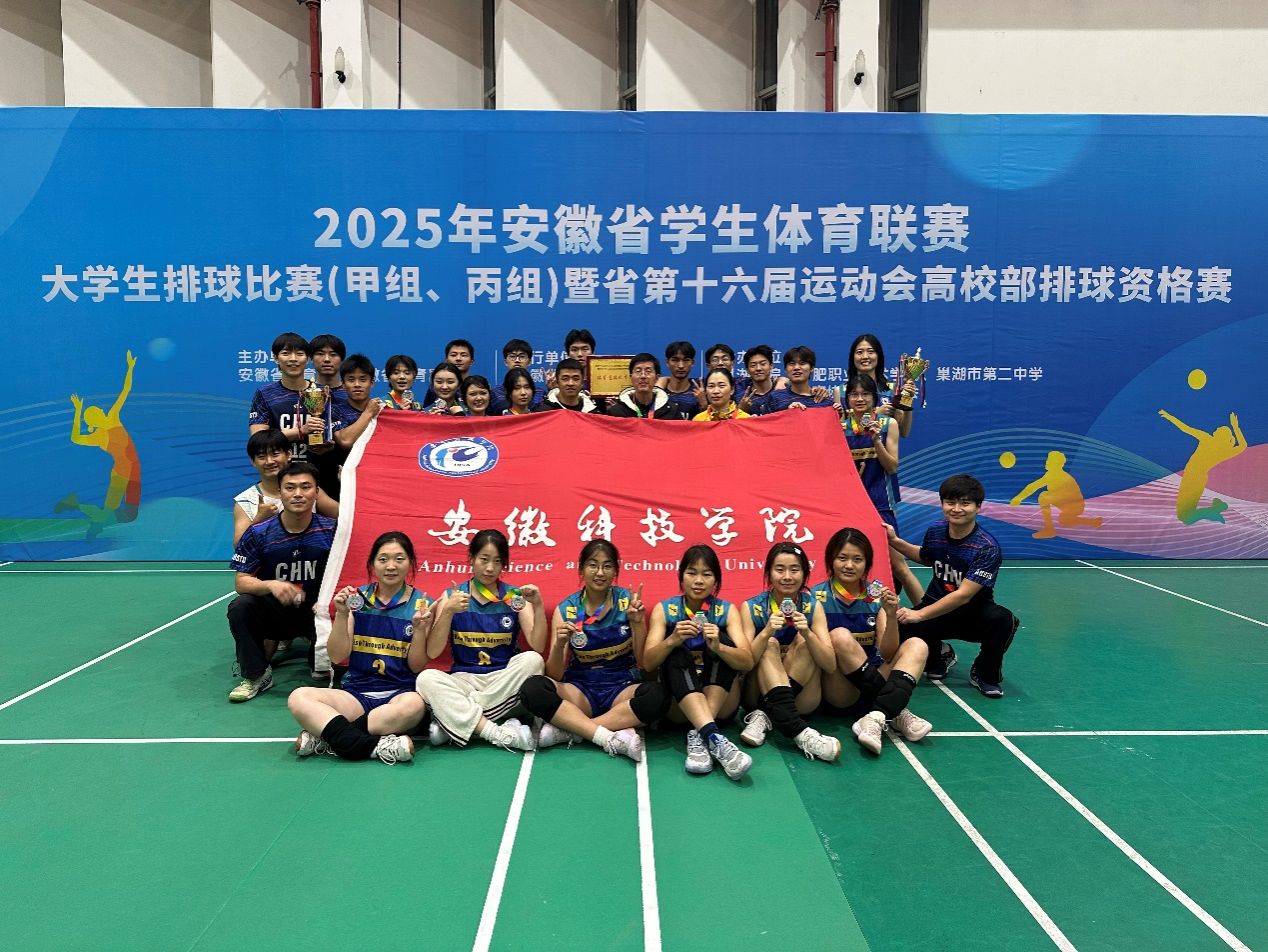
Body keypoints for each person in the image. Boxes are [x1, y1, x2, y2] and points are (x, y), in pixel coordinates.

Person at [287, 532, 434, 764]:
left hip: (398, 695)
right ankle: (376, 746)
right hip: (355, 695)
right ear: (372, 564)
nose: (391, 566)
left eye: (399, 559)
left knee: (414, 706)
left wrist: (418, 630)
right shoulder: (357, 600)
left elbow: (416, 666)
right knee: (299, 697)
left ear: (411, 563)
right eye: (383, 559)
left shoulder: (423, 605)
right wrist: (342, 614)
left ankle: (329, 737)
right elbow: (337, 656)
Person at [519, 540, 670, 762]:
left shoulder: (627, 602)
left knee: (658, 696)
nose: (600, 573)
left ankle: (574, 730)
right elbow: (555, 675)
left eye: (607, 566)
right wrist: (559, 644)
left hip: (622, 688)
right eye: (593, 565)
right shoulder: (567, 609)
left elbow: (643, 663)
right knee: (533, 689)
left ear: (615, 571)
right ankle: (606, 734)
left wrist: (638, 623)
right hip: (580, 690)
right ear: (581, 569)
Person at [888, 474, 1020, 699]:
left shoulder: (986, 548)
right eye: (950, 502)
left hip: (973, 615)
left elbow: (963, 595)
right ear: (942, 504)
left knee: (1004, 620)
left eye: (965, 503)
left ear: (978, 507)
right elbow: (925, 557)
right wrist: (894, 541)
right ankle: (940, 655)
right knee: (901, 626)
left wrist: (919, 614)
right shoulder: (936, 531)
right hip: (937, 609)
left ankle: (984, 673)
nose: (957, 509)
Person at [416, 529, 547, 750]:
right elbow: (433, 652)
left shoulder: (514, 597)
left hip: (503, 680)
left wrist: (539, 605)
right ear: (471, 559)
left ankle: (456, 720)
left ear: (504, 564)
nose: (489, 568)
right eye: (484, 559)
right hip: (465, 681)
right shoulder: (452, 596)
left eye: (497, 561)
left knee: (533, 660)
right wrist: (447, 611)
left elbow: (538, 645)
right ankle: (494, 731)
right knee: (426, 678)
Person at [811, 528, 932, 755]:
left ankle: (877, 715)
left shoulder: (877, 596)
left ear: (867, 563)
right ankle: (895, 710)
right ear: (831, 560)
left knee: (917, 644)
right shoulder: (815, 597)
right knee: (840, 635)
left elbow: (888, 654)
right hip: (840, 690)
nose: (849, 565)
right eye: (842, 558)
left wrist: (891, 614)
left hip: (874, 675)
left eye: (857, 559)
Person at [643, 545, 754, 780]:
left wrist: (720, 647)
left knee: (724, 643)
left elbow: (747, 662)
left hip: (721, 703)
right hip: (679, 707)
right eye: (692, 573)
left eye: (707, 574)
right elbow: (648, 664)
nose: (699, 580)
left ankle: (700, 733)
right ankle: (712, 736)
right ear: (681, 576)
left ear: (716, 580)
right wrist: (672, 640)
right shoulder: (665, 610)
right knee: (675, 650)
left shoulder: (726, 611)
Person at [227, 461, 336, 701]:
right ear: (280, 492)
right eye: (290, 487)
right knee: (241, 606)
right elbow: (241, 582)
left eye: (306, 487)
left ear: (317, 492)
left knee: (321, 674)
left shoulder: (332, 531)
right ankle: (256, 675)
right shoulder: (259, 532)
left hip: (317, 614)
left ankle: (320, 658)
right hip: (276, 613)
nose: (298, 494)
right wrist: (271, 584)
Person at [736, 543, 842, 761]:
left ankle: (766, 714)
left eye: (794, 570)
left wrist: (808, 633)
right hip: (757, 694)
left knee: (806, 641)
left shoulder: (813, 606)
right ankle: (798, 731)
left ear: (804, 574)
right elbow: (744, 665)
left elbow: (830, 665)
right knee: (769, 643)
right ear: (768, 572)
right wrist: (766, 632)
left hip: (802, 699)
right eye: (779, 569)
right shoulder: (751, 607)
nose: (787, 577)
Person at [62, 350, 141, 538]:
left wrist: (130, 367)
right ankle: (86, 516)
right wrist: (77, 412)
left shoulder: (113, 416)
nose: (100, 410)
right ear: (94, 420)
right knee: (109, 512)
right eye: (95, 412)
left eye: (97, 409)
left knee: (130, 515)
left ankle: (83, 511)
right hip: (120, 473)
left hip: (134, 469)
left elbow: (126, 390)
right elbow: (75, 438)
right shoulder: (98, 435)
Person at [233, 429, 338, 546]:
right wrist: (259, 519)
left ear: (288, 455)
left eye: (275, 454)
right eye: (261, 456)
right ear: (253, 462)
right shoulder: (246, 500)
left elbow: (345, 516)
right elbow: (238, 545)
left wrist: (347, 484)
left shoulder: (308, 491)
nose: (269, 461)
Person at [1158, 409, 1247, 524]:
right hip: (1196, 478)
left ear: (1221, 435)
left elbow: (1186, 428)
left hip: (1193, 478)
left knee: (1185, 517)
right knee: (1185, 516)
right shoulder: (1224, 450)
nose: (1215, 429)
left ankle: (1215, 510)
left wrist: (1169, 416)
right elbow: (1243, 445)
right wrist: (1235, 427)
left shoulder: (1207, 439)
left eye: (1218, 429)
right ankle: (1216, 509)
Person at [248, 332, 326, 457]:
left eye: (299, 354)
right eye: (286, 353)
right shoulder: (265, 394)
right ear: (276, 358)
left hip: (318, 465)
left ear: (308, 359)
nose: (293, 358)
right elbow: (258, 440)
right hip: (281, 466)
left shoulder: (322, 392)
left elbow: (334, 432)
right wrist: (301, 430)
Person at [846, 333, 914, 438]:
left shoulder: (893, 389)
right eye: (859, 352)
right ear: (852, 357)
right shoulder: (841, 391)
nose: (865, 356)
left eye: (871, 352)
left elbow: (904, 432)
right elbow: (840, 429)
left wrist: (908, 399)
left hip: (886, 447)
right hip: (852, 447)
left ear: (879, 356)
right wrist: (876, 414)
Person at [607, 353, 685, 420]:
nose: (643, 376)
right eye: (638, 371)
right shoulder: (617, 412)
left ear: (657, 378)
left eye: (648, 371)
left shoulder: (671, 411)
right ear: (631, 377)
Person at [330, 354, 384, 451]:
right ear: (343, 384)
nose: (357, 384)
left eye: (363, 380)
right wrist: (368, 413)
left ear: (372, 383)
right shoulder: (335, 410)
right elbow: (345, 441)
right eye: (351, 380)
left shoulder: (383, 410)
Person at [770, 345, 835, 412]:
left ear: (812, 368)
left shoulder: (824, 400)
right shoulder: (775, 397)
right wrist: (788, 413)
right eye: (792, 363)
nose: (796, 368)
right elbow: (766, 418)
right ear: (785, 369)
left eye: (802, 363)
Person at [491, 339, 544, 413]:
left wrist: (552, 389)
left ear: (529, 362)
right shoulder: (495, 393)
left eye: (522, 356)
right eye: (512, 356)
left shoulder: (540, 393)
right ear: (505, 362)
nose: (517, 360)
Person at [660, 341, 704, 418]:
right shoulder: (659, 391)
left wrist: (704, 406)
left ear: (692, 363)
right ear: (667, 363)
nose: (681, 366)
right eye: (675, 360)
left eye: (686, 360)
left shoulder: (700, 389)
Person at [737, 344, 780, 416]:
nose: (758, 368)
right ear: (747, 370)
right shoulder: (741, 397)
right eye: (753, 365)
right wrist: (741, 410)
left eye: (763, 364)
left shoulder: (781, 391)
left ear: (771, 366)